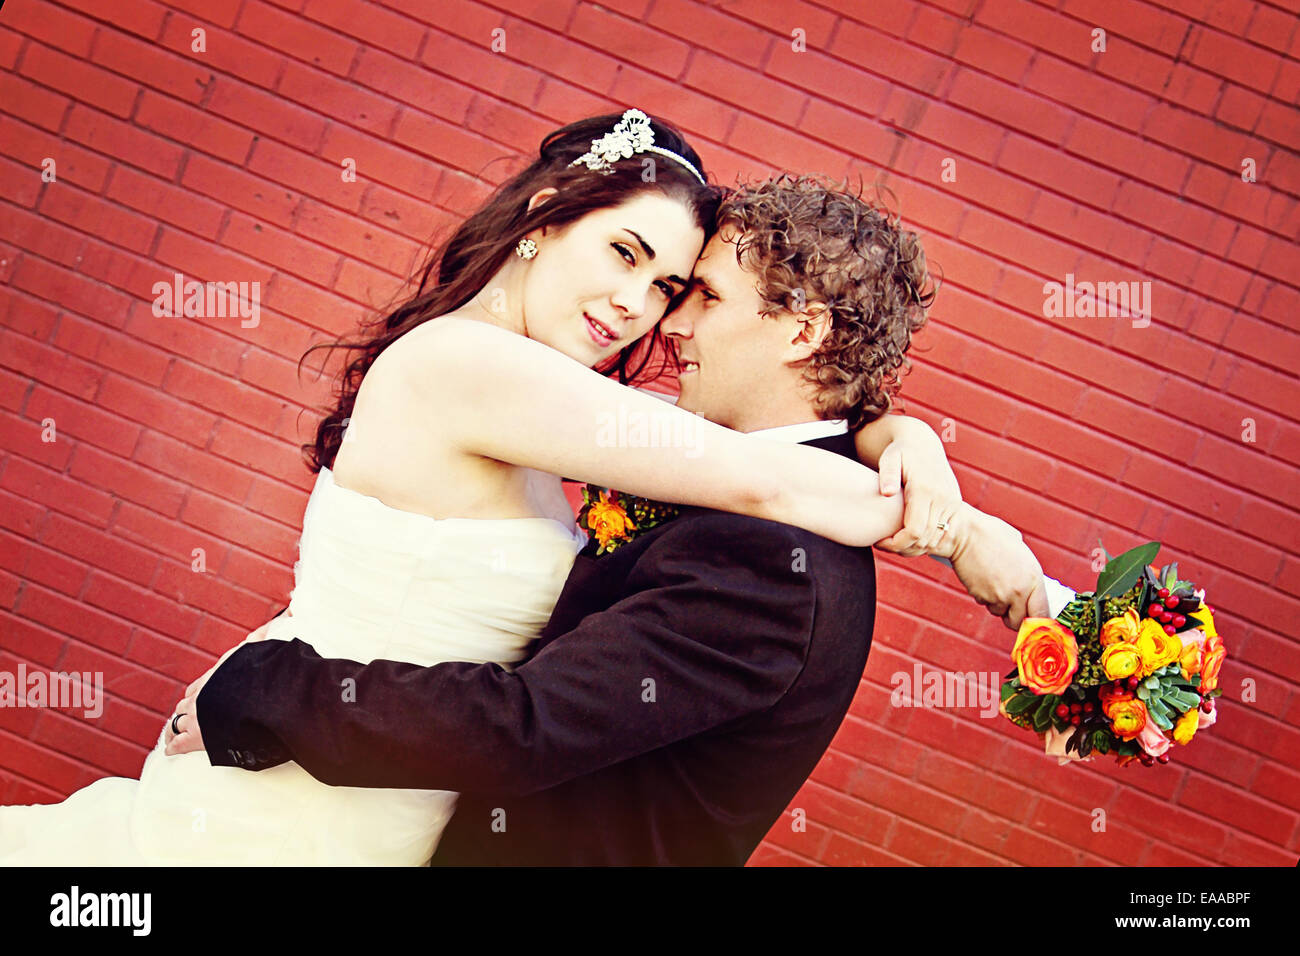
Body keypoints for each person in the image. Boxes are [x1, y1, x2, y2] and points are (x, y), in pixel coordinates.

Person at [0, 111, 976, 866]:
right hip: (307, 798)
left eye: (678, 289)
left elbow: (746, 466)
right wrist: (951, 522)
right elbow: (759, 470)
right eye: (625, 256)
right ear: (544, 221)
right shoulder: (476, 370)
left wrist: (894, 432)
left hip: (374, 792)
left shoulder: (574, 409)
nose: (642, 313)